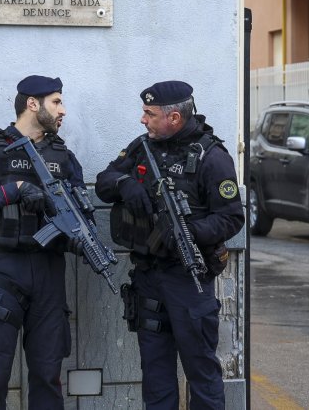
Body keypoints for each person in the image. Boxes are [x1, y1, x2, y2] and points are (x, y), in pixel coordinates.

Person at [95, 81, 244, 410]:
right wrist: (125, 183)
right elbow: (105, 180)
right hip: (149, 278)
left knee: (201, 373)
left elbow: (232, 219)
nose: (142, 120)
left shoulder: (211, 156)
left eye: (149, 114)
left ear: (174, 118)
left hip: (187, 280)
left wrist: (188, 231)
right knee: (156, 374)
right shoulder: (142, 147)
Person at [0, 75, 83, 410]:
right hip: (3, 271)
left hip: (49, 272)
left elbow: (83, 214)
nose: (62, 110)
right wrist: (15, 191)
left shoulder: (63, 157)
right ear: (32, 103)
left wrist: (79, 240)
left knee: (47, 375)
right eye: (56, 102)